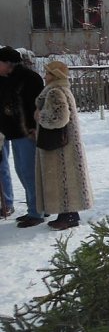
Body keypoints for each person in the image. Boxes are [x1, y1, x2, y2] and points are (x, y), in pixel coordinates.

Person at [34, 61, 94, 230]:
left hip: (60, 146)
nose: (45, 76)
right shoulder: (62, 89)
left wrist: (40, 116)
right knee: (68, 178)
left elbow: (60, 118)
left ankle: (68, 216)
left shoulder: (55, 91)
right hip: (66, 142)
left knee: (63, 178)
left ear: (55, 75)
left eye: (47, 73)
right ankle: (68, 214)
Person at [0, 46, 45, 227]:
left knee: (29, 171)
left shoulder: (29, 79)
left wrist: (34, 127)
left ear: (7, 63)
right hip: (12, 132)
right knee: (21, 171)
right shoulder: (5, 79)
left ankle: (36, 211)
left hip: (28, 132)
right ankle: (36, 208)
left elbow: (37, 105)